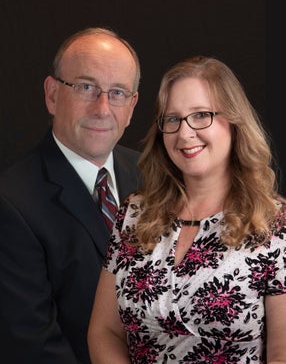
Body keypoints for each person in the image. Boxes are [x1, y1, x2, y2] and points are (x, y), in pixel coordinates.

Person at [87, 55, 286, 363]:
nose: (184, 133)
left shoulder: (274, 223)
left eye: (201, 115)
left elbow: (281, 352)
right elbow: (104, 332)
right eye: (173, 119)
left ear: (234, 122)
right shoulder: (133, 214)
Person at [0, 27, 142, 364]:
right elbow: (32, 347)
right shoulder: (11, 204)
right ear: (52, 95)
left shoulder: (151, 174)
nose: (103, 107)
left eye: (118, 92)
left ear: (133, 105)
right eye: (86, 87)